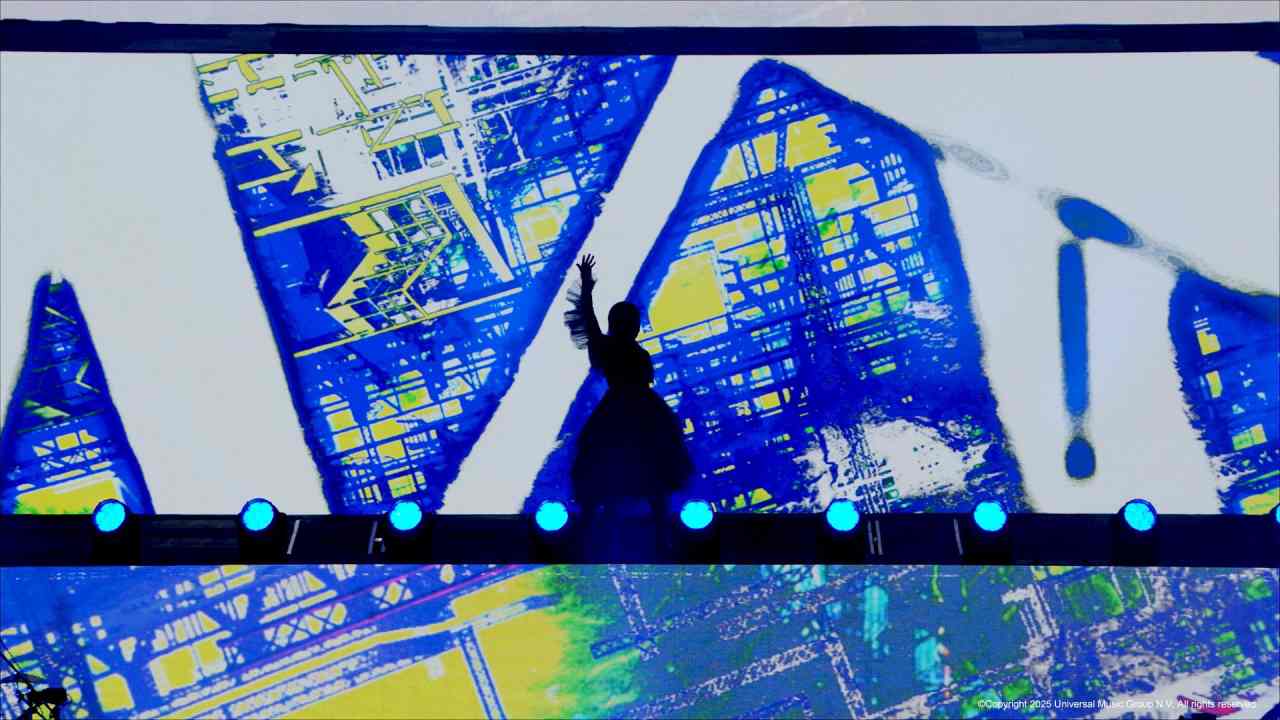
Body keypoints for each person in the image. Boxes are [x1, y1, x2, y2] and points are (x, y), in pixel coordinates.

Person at [564, 253, 693, 527]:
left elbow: (589, 320)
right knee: (641, 462)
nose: (634, 326)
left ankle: (646, 522)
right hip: (637, 407)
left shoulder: (612, 347)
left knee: (630, 461)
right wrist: (586, 286)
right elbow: (588, 318)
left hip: (626, 406)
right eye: (631, 321)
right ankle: (612, 523)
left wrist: (587, 286)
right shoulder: (611, 346)